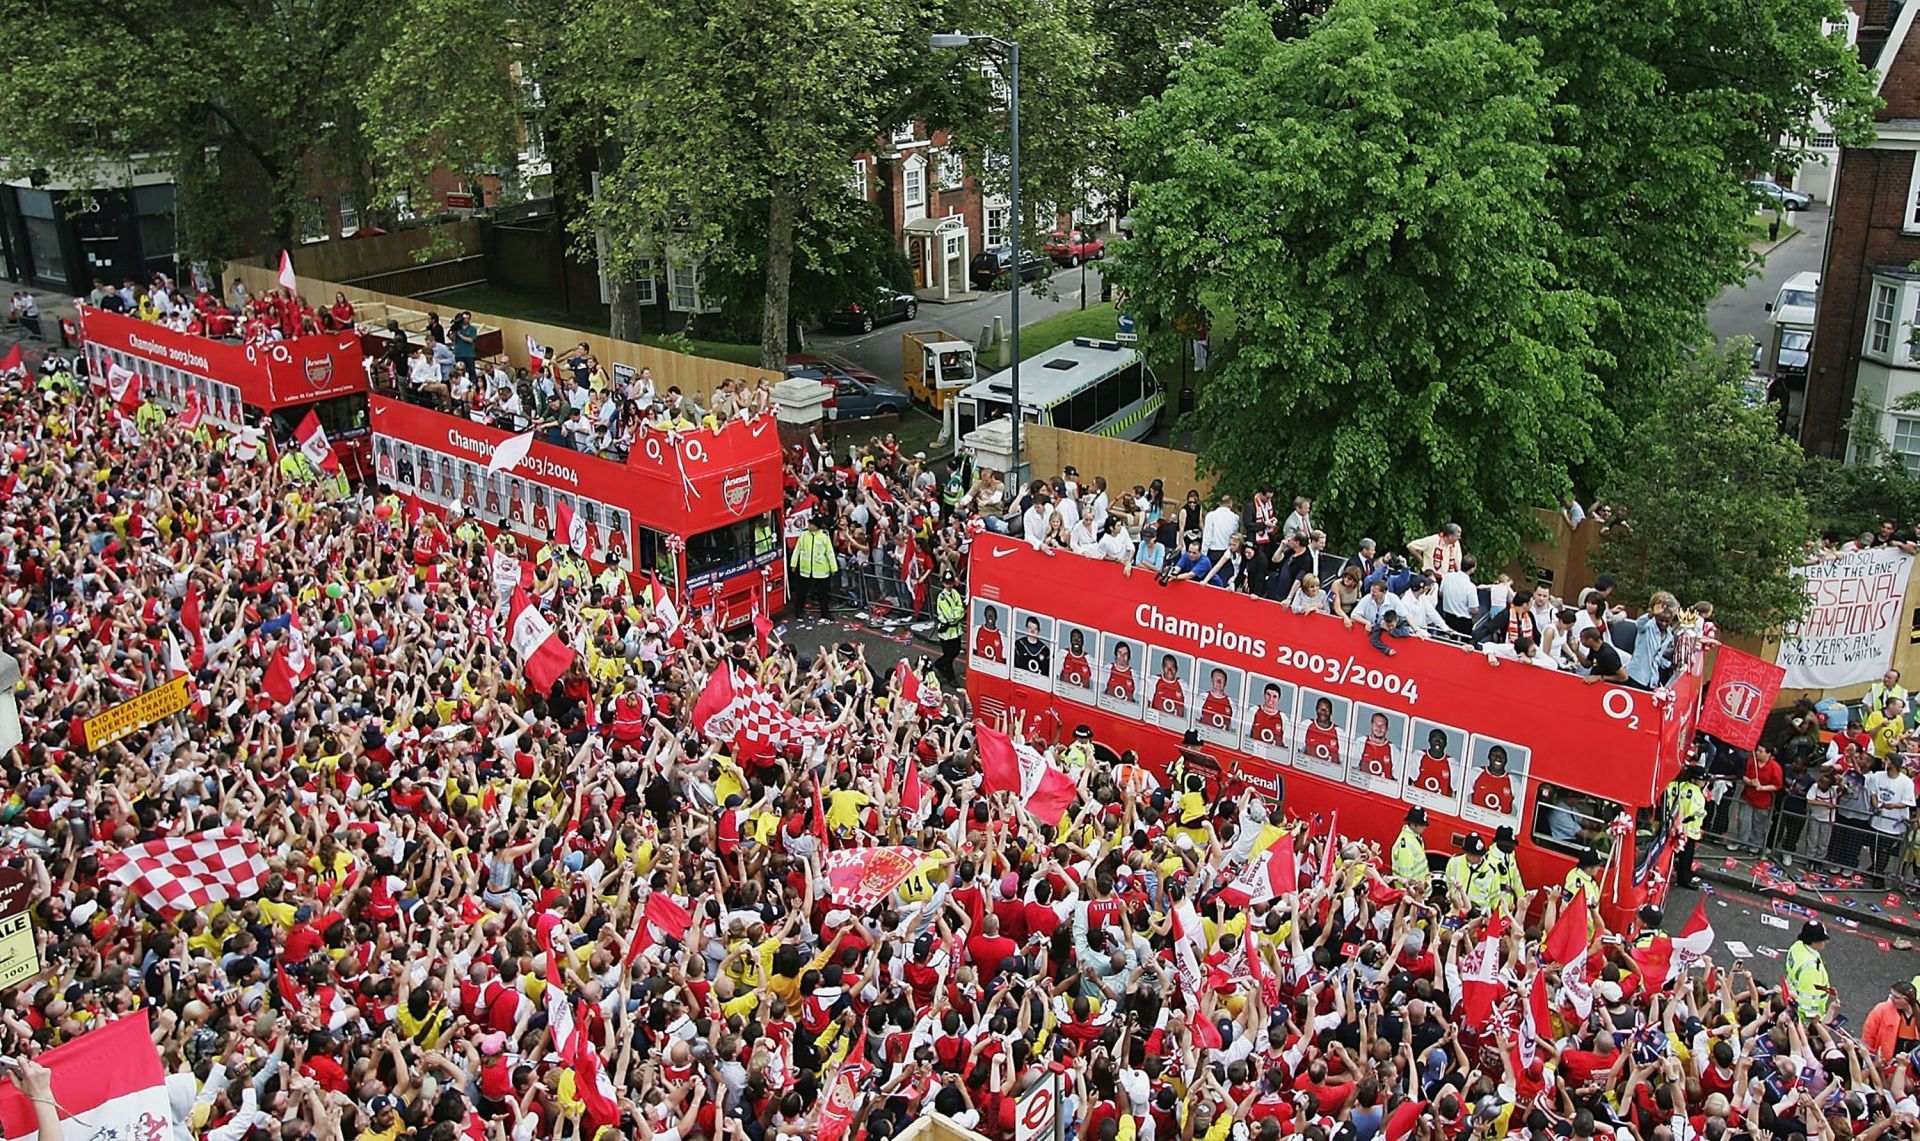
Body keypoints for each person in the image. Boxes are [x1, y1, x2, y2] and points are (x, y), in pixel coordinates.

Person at [1731, 744, 1782, 855]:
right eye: (1757, 751)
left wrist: (1763, 788)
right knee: (1744, 821)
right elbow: (1743, 775)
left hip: (1764, 801)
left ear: (1768, 753)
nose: (1757, 753)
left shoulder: (1775, 767)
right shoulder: (1750, 762)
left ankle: (1755, 845)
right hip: (1748, 797)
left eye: (1761, 751)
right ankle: (1741, 841)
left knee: (1759, 825)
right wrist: (1750, 782)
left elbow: (1777, 785)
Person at [1664, 764, 1709, 888]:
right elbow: (1696, 812)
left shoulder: (1673, 786)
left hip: (1670, 826)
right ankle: (1684, 879)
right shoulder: (1697, 794)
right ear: (1694, 779)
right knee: (1686, 857)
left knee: (1666, 852)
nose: (1704, 782)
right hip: (1689, 831)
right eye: (1702, 780)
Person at [791, 512, 839, 619]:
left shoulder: (824, 536)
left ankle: (825, 613)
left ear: (816, 526)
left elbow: (829, 552)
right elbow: (797, 550)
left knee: (823, 594)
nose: (809, 526)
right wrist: (793, 564)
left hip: (821, 570)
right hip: (805, 569)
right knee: (801, 593)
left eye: (811, 524)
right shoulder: (803, 535)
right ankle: (798, 611)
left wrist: (833, 568)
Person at [1784, 921, 1834, 1020]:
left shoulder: (1797, 946)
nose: (1825, 942)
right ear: (1813, 942)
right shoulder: (1811, 968)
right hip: (1805, 1016)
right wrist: (1812, 1019)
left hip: (1793, 996)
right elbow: (1809, 999)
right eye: (1822, 940)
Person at [934, 573, 966, 682]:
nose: (949, 585)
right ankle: (950, 676)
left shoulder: (955, 593)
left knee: (955, 651)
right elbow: (950, 616)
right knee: (949, 655)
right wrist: (958, 613)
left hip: (956, 630)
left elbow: (961, 609)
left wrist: (958, 612)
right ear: (943, 583)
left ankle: (939, 664)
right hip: (946, 631)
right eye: (947, 583)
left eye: (950, 583)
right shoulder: (941, 597)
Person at [1392, 807, 1430, 893]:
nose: (1425, 827)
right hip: (1410, 893)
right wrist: (1413, 893)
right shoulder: (1405, 845)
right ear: (1413, 824)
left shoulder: (1415, 837)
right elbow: (1406, 875)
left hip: (1418, 891)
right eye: (1422, 825)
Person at [1202, 493, 1238, 566]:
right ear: (1230, 504)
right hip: (1228, 552)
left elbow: (1207, 537)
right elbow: (1235, 535)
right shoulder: (1235, 517)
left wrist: (1203, 555)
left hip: (1213, 553)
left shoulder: (1211, 516)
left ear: (1219, 503)